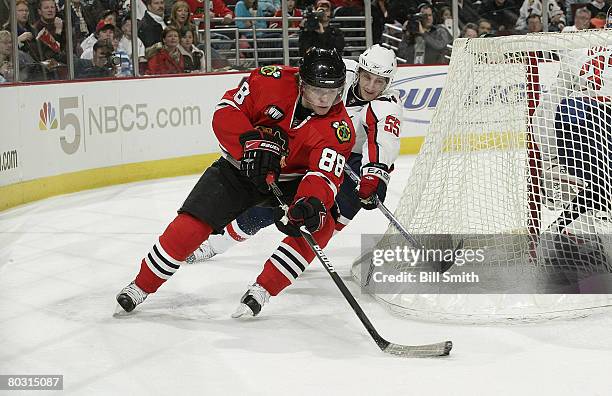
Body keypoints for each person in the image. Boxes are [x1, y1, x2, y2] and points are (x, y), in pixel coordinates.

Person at [115, 47, 354, 317]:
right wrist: (249, 143)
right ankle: (141, 286)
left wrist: (309, 201)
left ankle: (263, 289)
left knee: (320, 223)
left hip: (290, 182)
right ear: (301, 82)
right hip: (239, 167)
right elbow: (226, 111)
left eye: (332, 91)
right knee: (190, 225)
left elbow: (323, 175)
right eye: (316, 90)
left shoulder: (340, 128)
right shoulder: (269, 80)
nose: (324, 99)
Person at [187, 46, 402, 295]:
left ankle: (281, 271)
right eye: (367, 77)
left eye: (380, 81)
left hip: (355, 161)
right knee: (271, 209)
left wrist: (374, 173)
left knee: (323, 220)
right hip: (313, 149)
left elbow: (383, 140)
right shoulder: (339, 71)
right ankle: (217, 243)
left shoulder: (388, 105)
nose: (371, 86)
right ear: (359, 71)